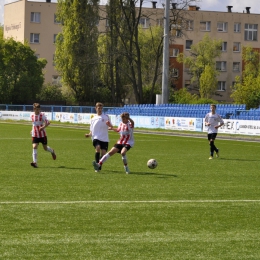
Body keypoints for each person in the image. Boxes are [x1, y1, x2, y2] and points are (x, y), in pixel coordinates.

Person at [85, 102, 112, 172]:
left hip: (105, 138)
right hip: (96, 137)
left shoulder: (106, 117)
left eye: (101, 108)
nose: (99, 109)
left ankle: (98, 166)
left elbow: (111, 126)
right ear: (95, 108)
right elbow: (91, 131)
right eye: (98, 108)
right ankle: (96, 167)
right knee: (98, 148)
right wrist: (89, 134)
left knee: (103, 154)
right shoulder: (93, 118)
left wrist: (109, 126)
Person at [30, 103, 56, 168]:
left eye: (39, 109)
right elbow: (34, 124)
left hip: (42, 134)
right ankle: (35, 162)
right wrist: (32, 130)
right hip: (35, 134)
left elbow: (48, 122)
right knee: (34, 146)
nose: (38, 111)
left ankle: (52, 151)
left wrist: (43, 127)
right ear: (34, 109)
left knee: (45, 148)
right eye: (37, 109)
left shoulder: (42, 115)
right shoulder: (31, 115)